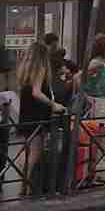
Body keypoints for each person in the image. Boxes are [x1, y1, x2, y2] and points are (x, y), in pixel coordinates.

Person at [18, 42, 65, 196]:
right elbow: (36, 93)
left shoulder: (26, 69)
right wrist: (53, 105)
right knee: (35, 151)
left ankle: (25, 184)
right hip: (36, 115)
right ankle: (26, 185)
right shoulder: (40, 68)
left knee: (28, 150)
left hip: (26, 113)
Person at [81, 34, 105, 123]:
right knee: (97, 128)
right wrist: (87, 97)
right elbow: (80, 78)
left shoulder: (101, 63)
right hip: (97, 101)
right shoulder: (97, 63)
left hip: (101, 100)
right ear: (104, 48)